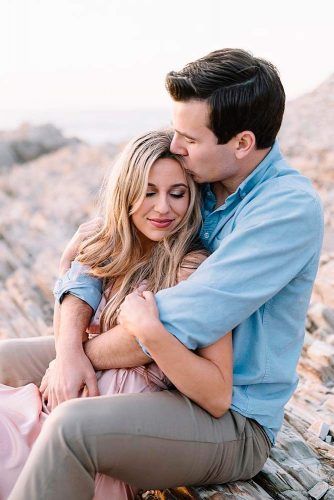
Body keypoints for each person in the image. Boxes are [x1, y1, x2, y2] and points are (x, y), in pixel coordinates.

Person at [1, 48, 323, 500]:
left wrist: (75, 357)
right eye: (176, 131)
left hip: (227, 416)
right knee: (4, 359)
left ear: (242, 143)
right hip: (147, 370)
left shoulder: (284, 212)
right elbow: (102, 249)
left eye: (188, 138)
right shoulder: (201, 178)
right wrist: (68, 349)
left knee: (71, 428)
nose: (176, 146)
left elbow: (174, 321)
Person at [0, 129, 233, 499]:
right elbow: (65, 320)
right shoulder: (111, 248)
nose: (163, 208)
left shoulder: (192, 267)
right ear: (125, 193)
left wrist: (79, 355)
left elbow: (216, 390)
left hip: (109, 416)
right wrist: (71, 266)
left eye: (177, 194)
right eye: (148, 192)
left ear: (192, 199)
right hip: (70, 395)